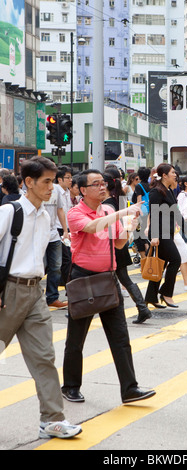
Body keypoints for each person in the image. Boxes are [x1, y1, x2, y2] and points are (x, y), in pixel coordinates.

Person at [0, 156, 82, 439]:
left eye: (53, 180)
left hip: (35, 293)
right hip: (7, 293)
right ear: (28, 183)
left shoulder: (46, 215)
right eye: (46, 182)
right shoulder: (11, 212)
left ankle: (53, 419)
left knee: (44, 357)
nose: (52, 187)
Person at [61, 169, 156, 403]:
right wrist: (125, 212)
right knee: (76, 338)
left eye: (103, 183)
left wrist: (130, 226)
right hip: (83, 278)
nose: (102, 187)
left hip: (108, 277)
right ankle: (70, 386)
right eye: (96, 184)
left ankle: (129, 388)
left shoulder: (109, 210)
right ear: (83, 190)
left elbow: (120, 243)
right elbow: (94, 227)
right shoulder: (76, 213)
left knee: (120, 337)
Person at [103, 168, 152, 324]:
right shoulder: (119, 199)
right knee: (123, 279)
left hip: (113, 245)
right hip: (120, 243)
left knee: (116, 279)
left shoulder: (107, 204)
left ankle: (141, 308)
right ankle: (142, 308)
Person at [144, 163, 183, 309]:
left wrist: (186, 227)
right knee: (175, 260)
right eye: (173, 172)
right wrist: (154, 236)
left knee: (160, 265)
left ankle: (150, 297)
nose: (175, 174)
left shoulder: (169, 191)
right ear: (164, 175)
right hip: (160, 234)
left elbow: (176, 212)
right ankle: (166, 293)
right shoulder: (156, 192)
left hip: (169, 232)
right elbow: (153, 214)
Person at [44, 183, 69, 309]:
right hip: (39, 235)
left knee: (56, 266)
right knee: (40, 267)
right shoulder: (35, 188)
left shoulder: (56, 190)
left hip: (54, 234)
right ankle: (35, 298)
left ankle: (52, 297)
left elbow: (60, 209)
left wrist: (65, 230)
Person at [55, 166, 73, 286]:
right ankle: (65, 284)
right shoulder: (55, 191)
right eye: (68, 177)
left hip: (66, 229)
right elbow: (59, 211)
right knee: (66, 259)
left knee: (68, 258)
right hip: (57, 229)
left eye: (71, 177)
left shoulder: (67, 192)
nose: (71, 180)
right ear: (60, 179)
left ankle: (64, 282)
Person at [132, 167, 151, 260]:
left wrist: (137, 215)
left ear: (138, 176)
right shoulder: (151, 185)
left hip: (142, 213)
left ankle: (145, 259)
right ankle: (149, 257)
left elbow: (139, 201)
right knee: (144, 235)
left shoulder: (139, 186)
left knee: (138, 236)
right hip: (149, 212)